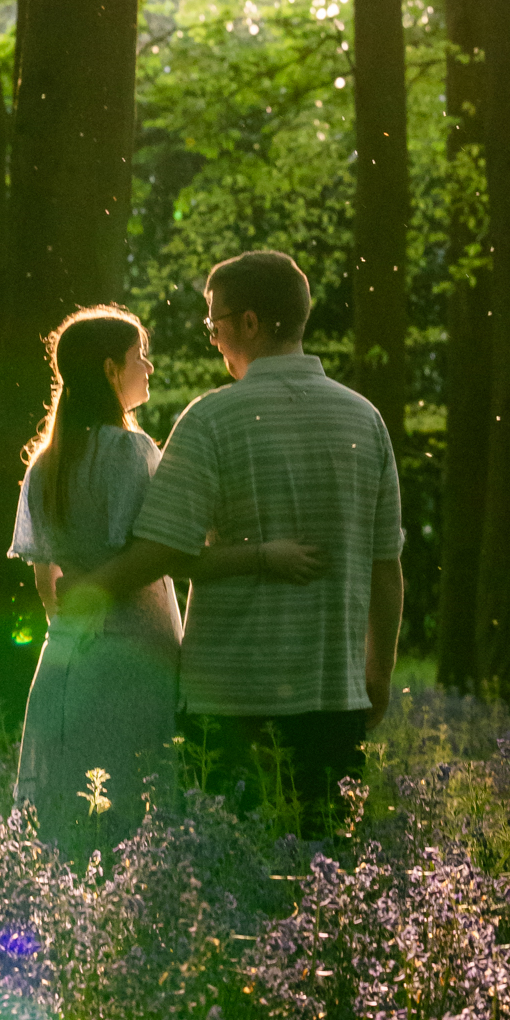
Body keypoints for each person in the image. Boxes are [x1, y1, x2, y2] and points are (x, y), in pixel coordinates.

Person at [66, 248, 403, 838]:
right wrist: (375, 679)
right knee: (325, 878)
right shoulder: (364, 420)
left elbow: (161, 550)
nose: (214, 339)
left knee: (229, 875)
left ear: (250, 323)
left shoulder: (211, 420)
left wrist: (91, 590)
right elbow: (387, 568)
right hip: (333, 694)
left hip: (231, 700)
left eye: (215, 323)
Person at [8, 304, 312, 861]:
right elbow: (166, 554)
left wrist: (75, 629)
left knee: (74, 815)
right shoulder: (130, 451)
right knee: (135, 804)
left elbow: (45, 582)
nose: (148, 367)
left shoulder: (45, 464)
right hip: (133, 657)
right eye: (138, 357)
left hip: (65, 661)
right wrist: (265, 555)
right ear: (108, 370)